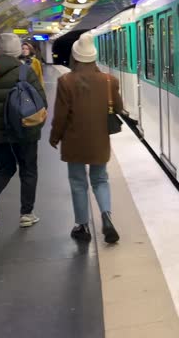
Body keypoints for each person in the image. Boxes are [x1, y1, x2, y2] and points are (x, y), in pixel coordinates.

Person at [50, 33, 123, 243]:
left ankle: (82, 226)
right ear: (94, 57)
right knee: (100, 179)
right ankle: (106, 216)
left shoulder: (65, 81)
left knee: (78, 182)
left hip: (74, 141)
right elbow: (118, 108)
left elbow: (61, 116)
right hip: (99, 140)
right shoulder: (109, 80)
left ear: (75, 57)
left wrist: (55, 137)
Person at [0, 34, 47, 232]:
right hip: (24, 129)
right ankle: (26, 214)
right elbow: (41, 101)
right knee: (28, 169)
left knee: (4, 168)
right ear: (16, 51)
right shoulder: (24, 71)